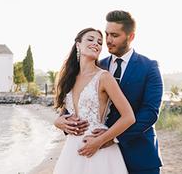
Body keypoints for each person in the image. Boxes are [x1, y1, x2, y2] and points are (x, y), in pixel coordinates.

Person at [55, 11, 164, 174]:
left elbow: (150, 113)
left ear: (130, 37)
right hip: (94, 151)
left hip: (138, 152)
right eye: (106, 34)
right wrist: (60, 122)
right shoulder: (98, 66)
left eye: (114, 35)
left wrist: (110, 138)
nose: (108, 40)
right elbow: (76, 105)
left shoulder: (149, 67)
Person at [53, 27, 135, 174]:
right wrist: (57, 122)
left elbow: (129, 117)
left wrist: (100, 141)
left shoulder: (104, 77)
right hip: (72, 149)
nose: (96, 44)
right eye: (90, 39)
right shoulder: (69, 78)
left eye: (99, 42)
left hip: (98, 147)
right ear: (78, 44)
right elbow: (66, 113)